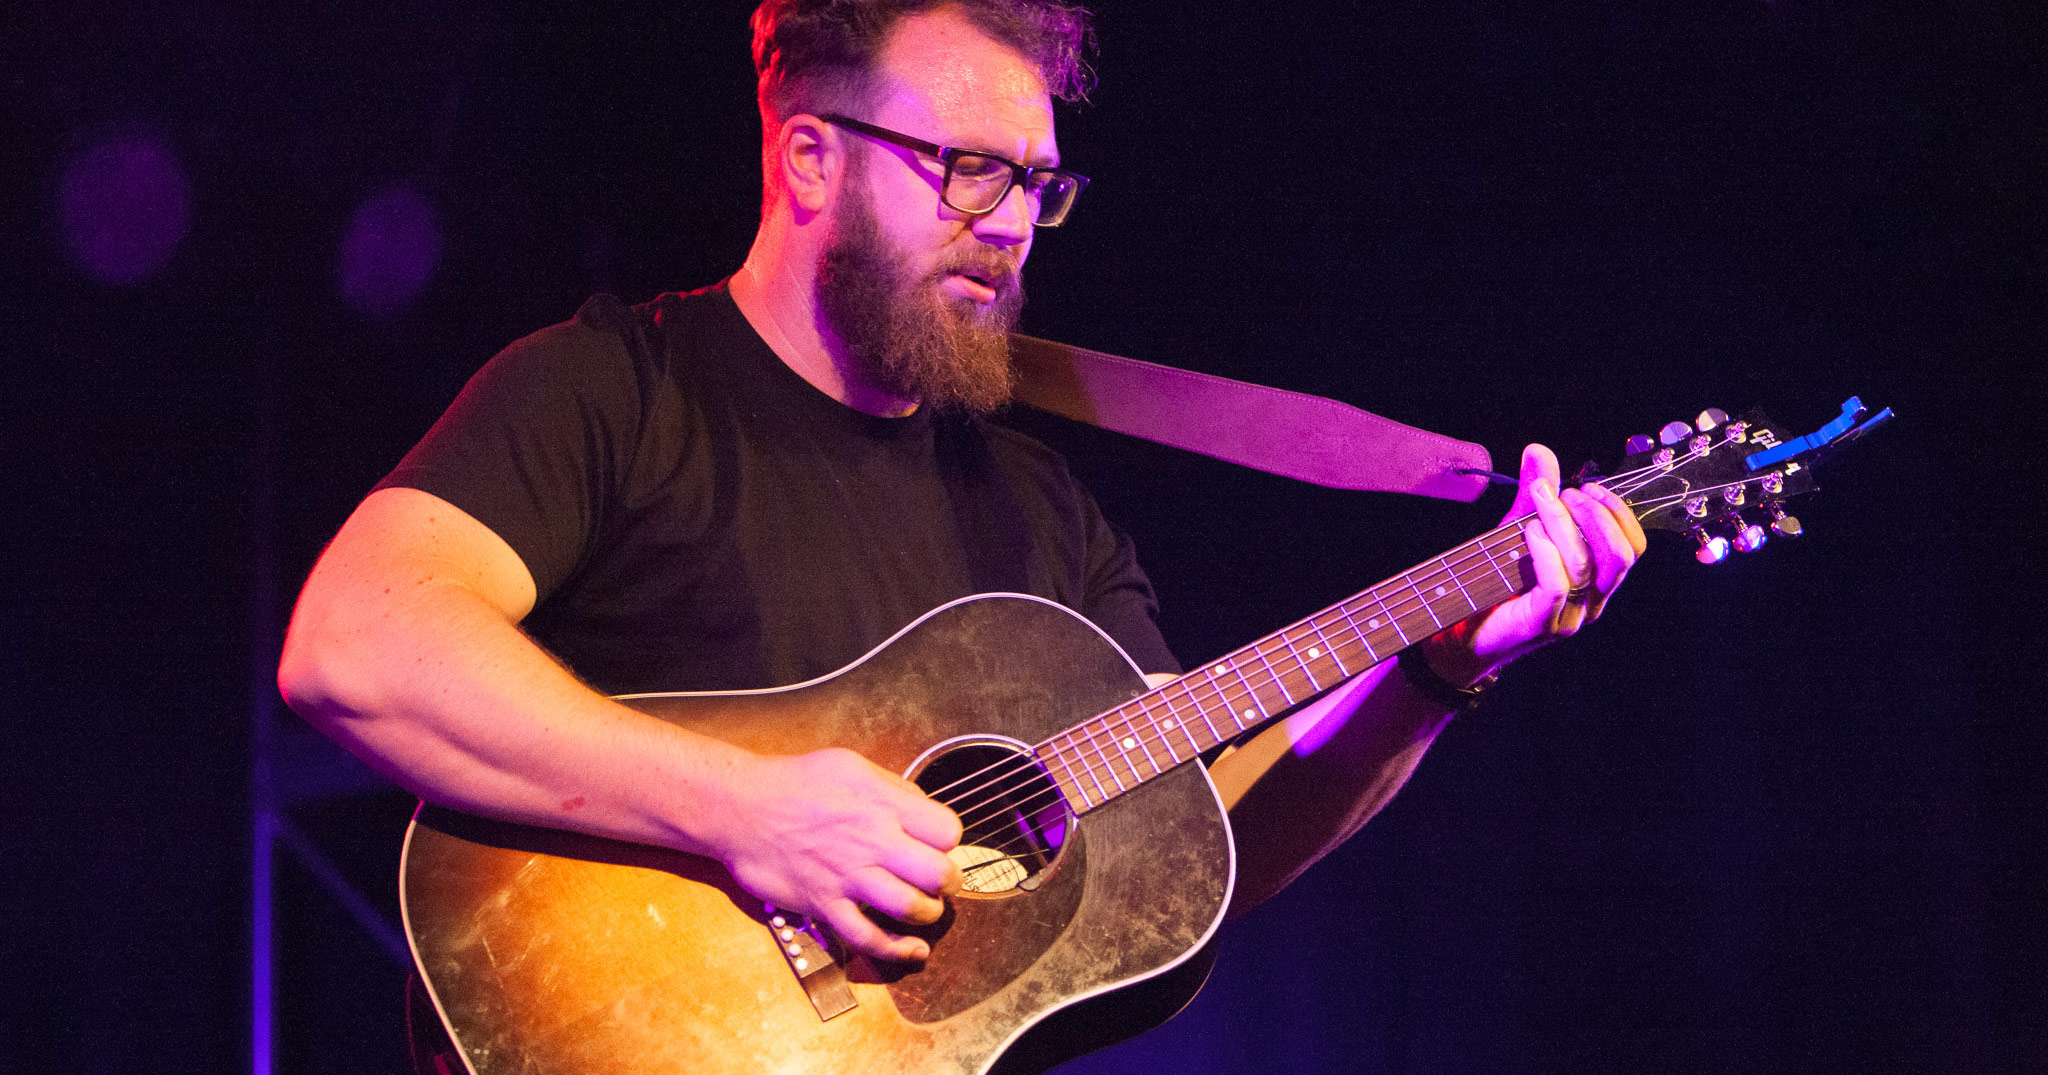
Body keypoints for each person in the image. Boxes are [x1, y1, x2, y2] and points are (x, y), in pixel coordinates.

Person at [277, 0, 1643, 979]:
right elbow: (355, 649)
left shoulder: (1043, 514)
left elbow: (1199, 849)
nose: (1010, 227)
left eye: (1037, 183)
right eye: (969, 172)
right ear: (811, 159)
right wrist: (747, 812)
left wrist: (1433, 672)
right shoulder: (611, 392)